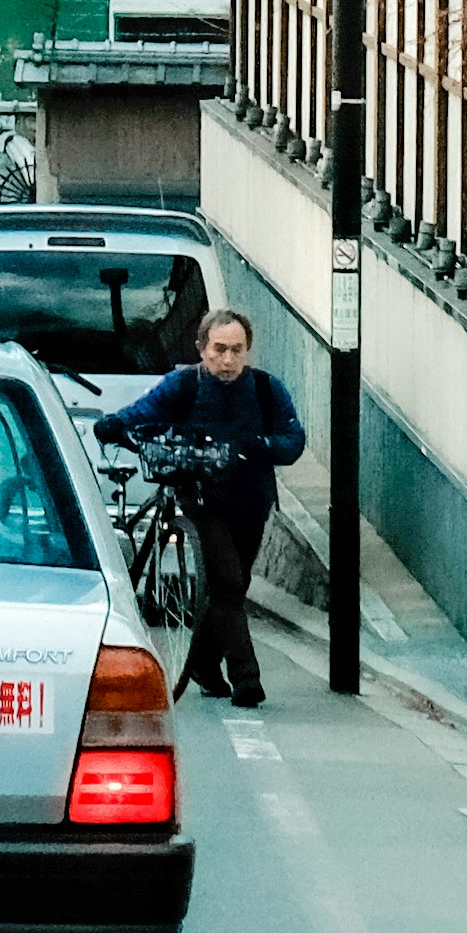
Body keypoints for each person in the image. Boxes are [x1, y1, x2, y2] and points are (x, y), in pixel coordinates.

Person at [114, 304, 309, 712]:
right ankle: (246, 678)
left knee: (233, 585)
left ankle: (203, 662)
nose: (228, 359)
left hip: (250, 501)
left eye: (237, 350)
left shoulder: (265, 389)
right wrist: (113, 424)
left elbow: (292, 440)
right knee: (225, 582)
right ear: (202, 348)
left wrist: (255, 446)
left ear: (247, 351)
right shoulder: (182, 386)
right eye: (219, 349)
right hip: (200, 499)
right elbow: (140, 414)